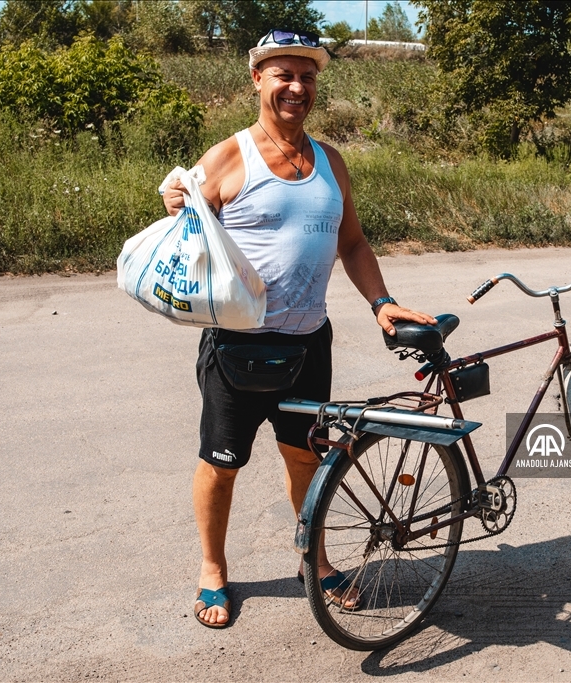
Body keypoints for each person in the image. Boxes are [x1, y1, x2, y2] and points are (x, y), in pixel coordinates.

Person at [161, 28, 436, 628]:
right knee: (221, 464)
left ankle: (316, 559)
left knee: (307, 461)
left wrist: (382, 302)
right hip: (237, 346)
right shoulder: (229, 155)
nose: (296, 87)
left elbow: (352, 243)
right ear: (257, 79)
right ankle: (213, 569)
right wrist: (175, 199)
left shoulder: (330, 162)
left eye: (307, 77)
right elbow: (183, 219)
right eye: (283, 74)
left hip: (309, 343)